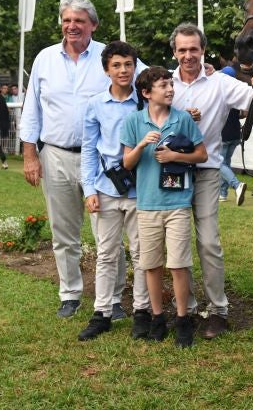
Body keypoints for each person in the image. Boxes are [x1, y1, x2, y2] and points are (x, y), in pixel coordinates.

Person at [19, 0, 139, 319]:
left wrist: (191, 77)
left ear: (93, 25)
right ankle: (70, 293)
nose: (72, 26)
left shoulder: (111, 57)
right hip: (55, 155)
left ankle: (113, 300)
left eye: (79, 21)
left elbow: (150, 82)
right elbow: (32, 109)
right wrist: (30, 155)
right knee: (63, 233)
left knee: (107, 234)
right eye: (67, 20)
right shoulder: (45, 59)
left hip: (100, 163)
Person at [169, 23, 253, 339]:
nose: (188, 55)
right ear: (174, 52)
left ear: (203, 50)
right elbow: (146, 111)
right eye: (182, 50)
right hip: (171, 174)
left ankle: (218, 311)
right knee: (177, 243)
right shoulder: (166, 84)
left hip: (206, 172)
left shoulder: (220, 83)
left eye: (194, 49)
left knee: (208, 242)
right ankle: (186, 310)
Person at [121, 66, 208, 347]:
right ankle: (157, 317)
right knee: (150, 264)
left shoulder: (182, 119)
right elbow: (126, 163)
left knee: (179, 263)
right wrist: (140, 146)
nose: (171, 89)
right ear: (147, 93)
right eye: (164, 85)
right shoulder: (134, 122)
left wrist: (174, 156)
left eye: (171, 84)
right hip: (147, 204)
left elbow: (201, 154)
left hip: (178, 203)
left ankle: (183, 319)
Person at [78, 41, 150, 341]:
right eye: (117, 65)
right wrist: (89, 189)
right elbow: (88, 150)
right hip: (107, 188)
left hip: (140, 190)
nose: (123, 70)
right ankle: (103, 312)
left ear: (135, 67)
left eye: (128, 64)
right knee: (107, 253)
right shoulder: (95, 105)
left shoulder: (145, 102)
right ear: (107, 69)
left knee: (142, 254)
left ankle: (143, 312)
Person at [217, 66, 247, 205]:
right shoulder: (236, 92)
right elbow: (243, 113)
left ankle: (236, 185)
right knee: (226, 163)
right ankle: (223, 193)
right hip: (235, 133)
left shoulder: (219, 92)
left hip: (223, 134)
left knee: (219, 163)